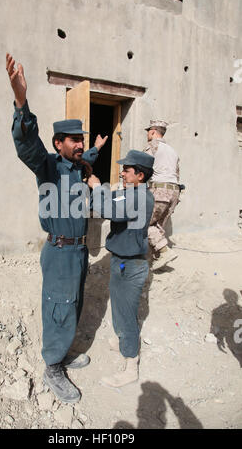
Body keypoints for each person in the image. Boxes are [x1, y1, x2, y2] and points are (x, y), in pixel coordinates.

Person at [6, 53, 108, 403]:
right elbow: (26, 145)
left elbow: (88, 159)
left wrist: (94, 150)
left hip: (79, 250)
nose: (79, 144)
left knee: (74, 303)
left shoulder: (78, 167)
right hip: (60, 250)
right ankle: (52, 366)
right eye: (73, 140)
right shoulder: (47, 166)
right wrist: (21, 102)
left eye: (81, 139)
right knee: (59, 303)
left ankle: (63, 351)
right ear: (58, 144)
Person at [88, 150, 154, 387]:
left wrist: (97, 189)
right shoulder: (129, 193)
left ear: (140, 175)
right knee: (118, 305)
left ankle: (130, 363)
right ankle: (124, 340)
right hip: (119, 260)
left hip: (132, 264)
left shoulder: (140, 198)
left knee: (126, 314)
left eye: (127, 170)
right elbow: (108, 202)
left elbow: (107, 209)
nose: (122, 173)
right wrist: (101, 192)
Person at [143, 120, 180, 270]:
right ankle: (158, 258)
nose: (147, 134)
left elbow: (142, 169)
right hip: (174, 192)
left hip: (159, 190)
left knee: (144, 224)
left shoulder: (152, 146)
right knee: (157, 226)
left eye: (148, 131)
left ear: (153, 132)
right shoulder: (172, 151)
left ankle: (164, 252)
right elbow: (177, 173)